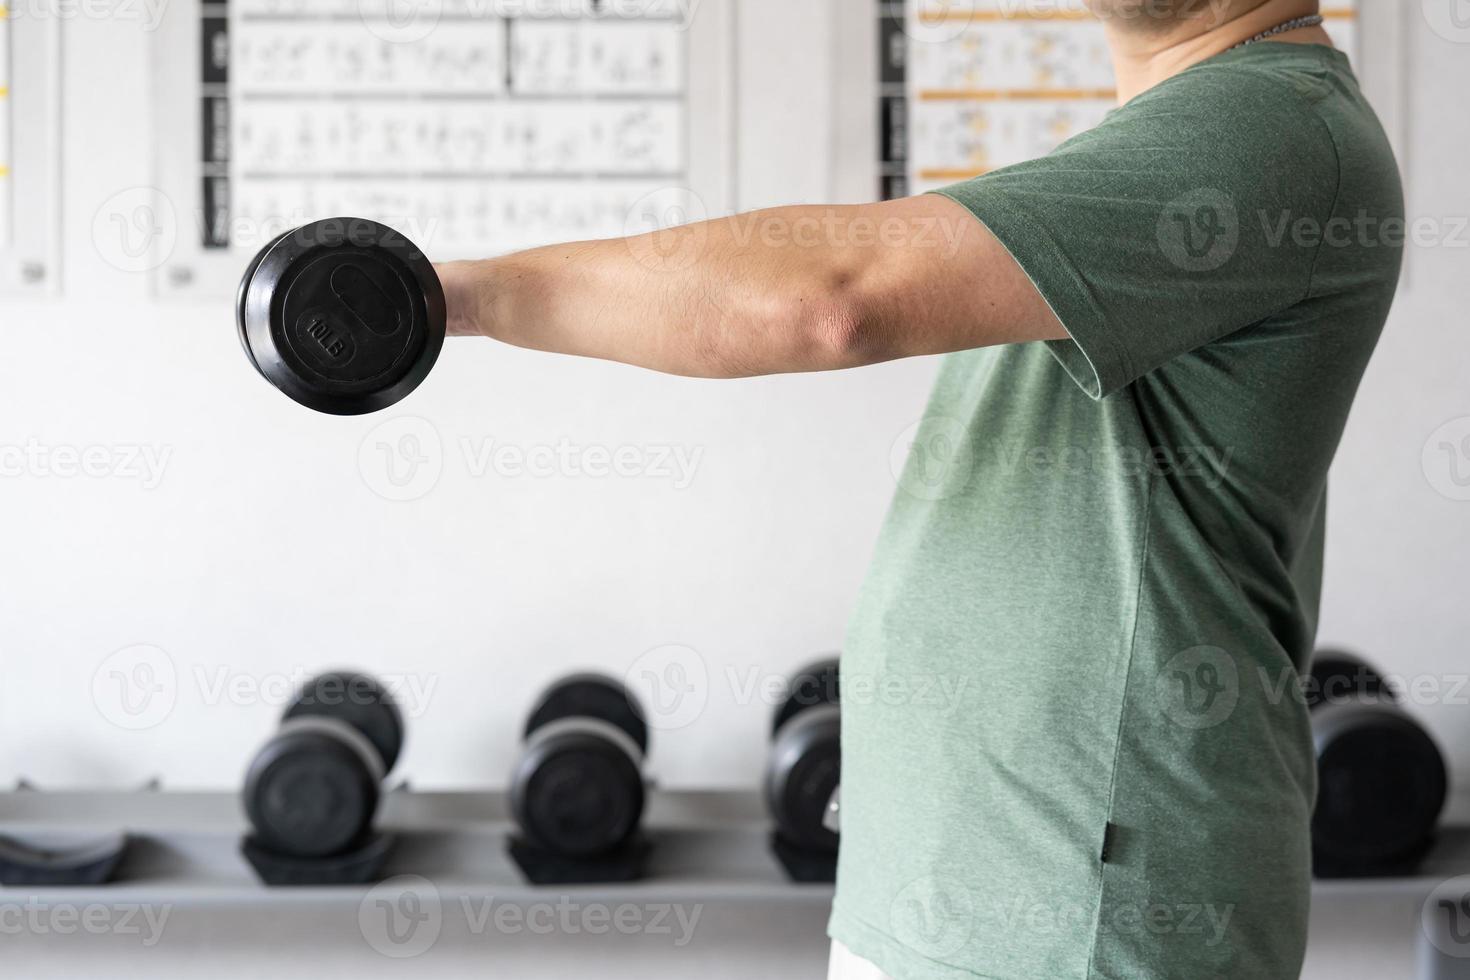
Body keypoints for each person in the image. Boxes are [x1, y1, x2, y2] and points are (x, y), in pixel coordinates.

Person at [435, 0, 1403, 975]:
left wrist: (460, 295)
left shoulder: (1264, 128)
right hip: (968, 892)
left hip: (1075, 911)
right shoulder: (1157, 141)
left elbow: (830, 301)